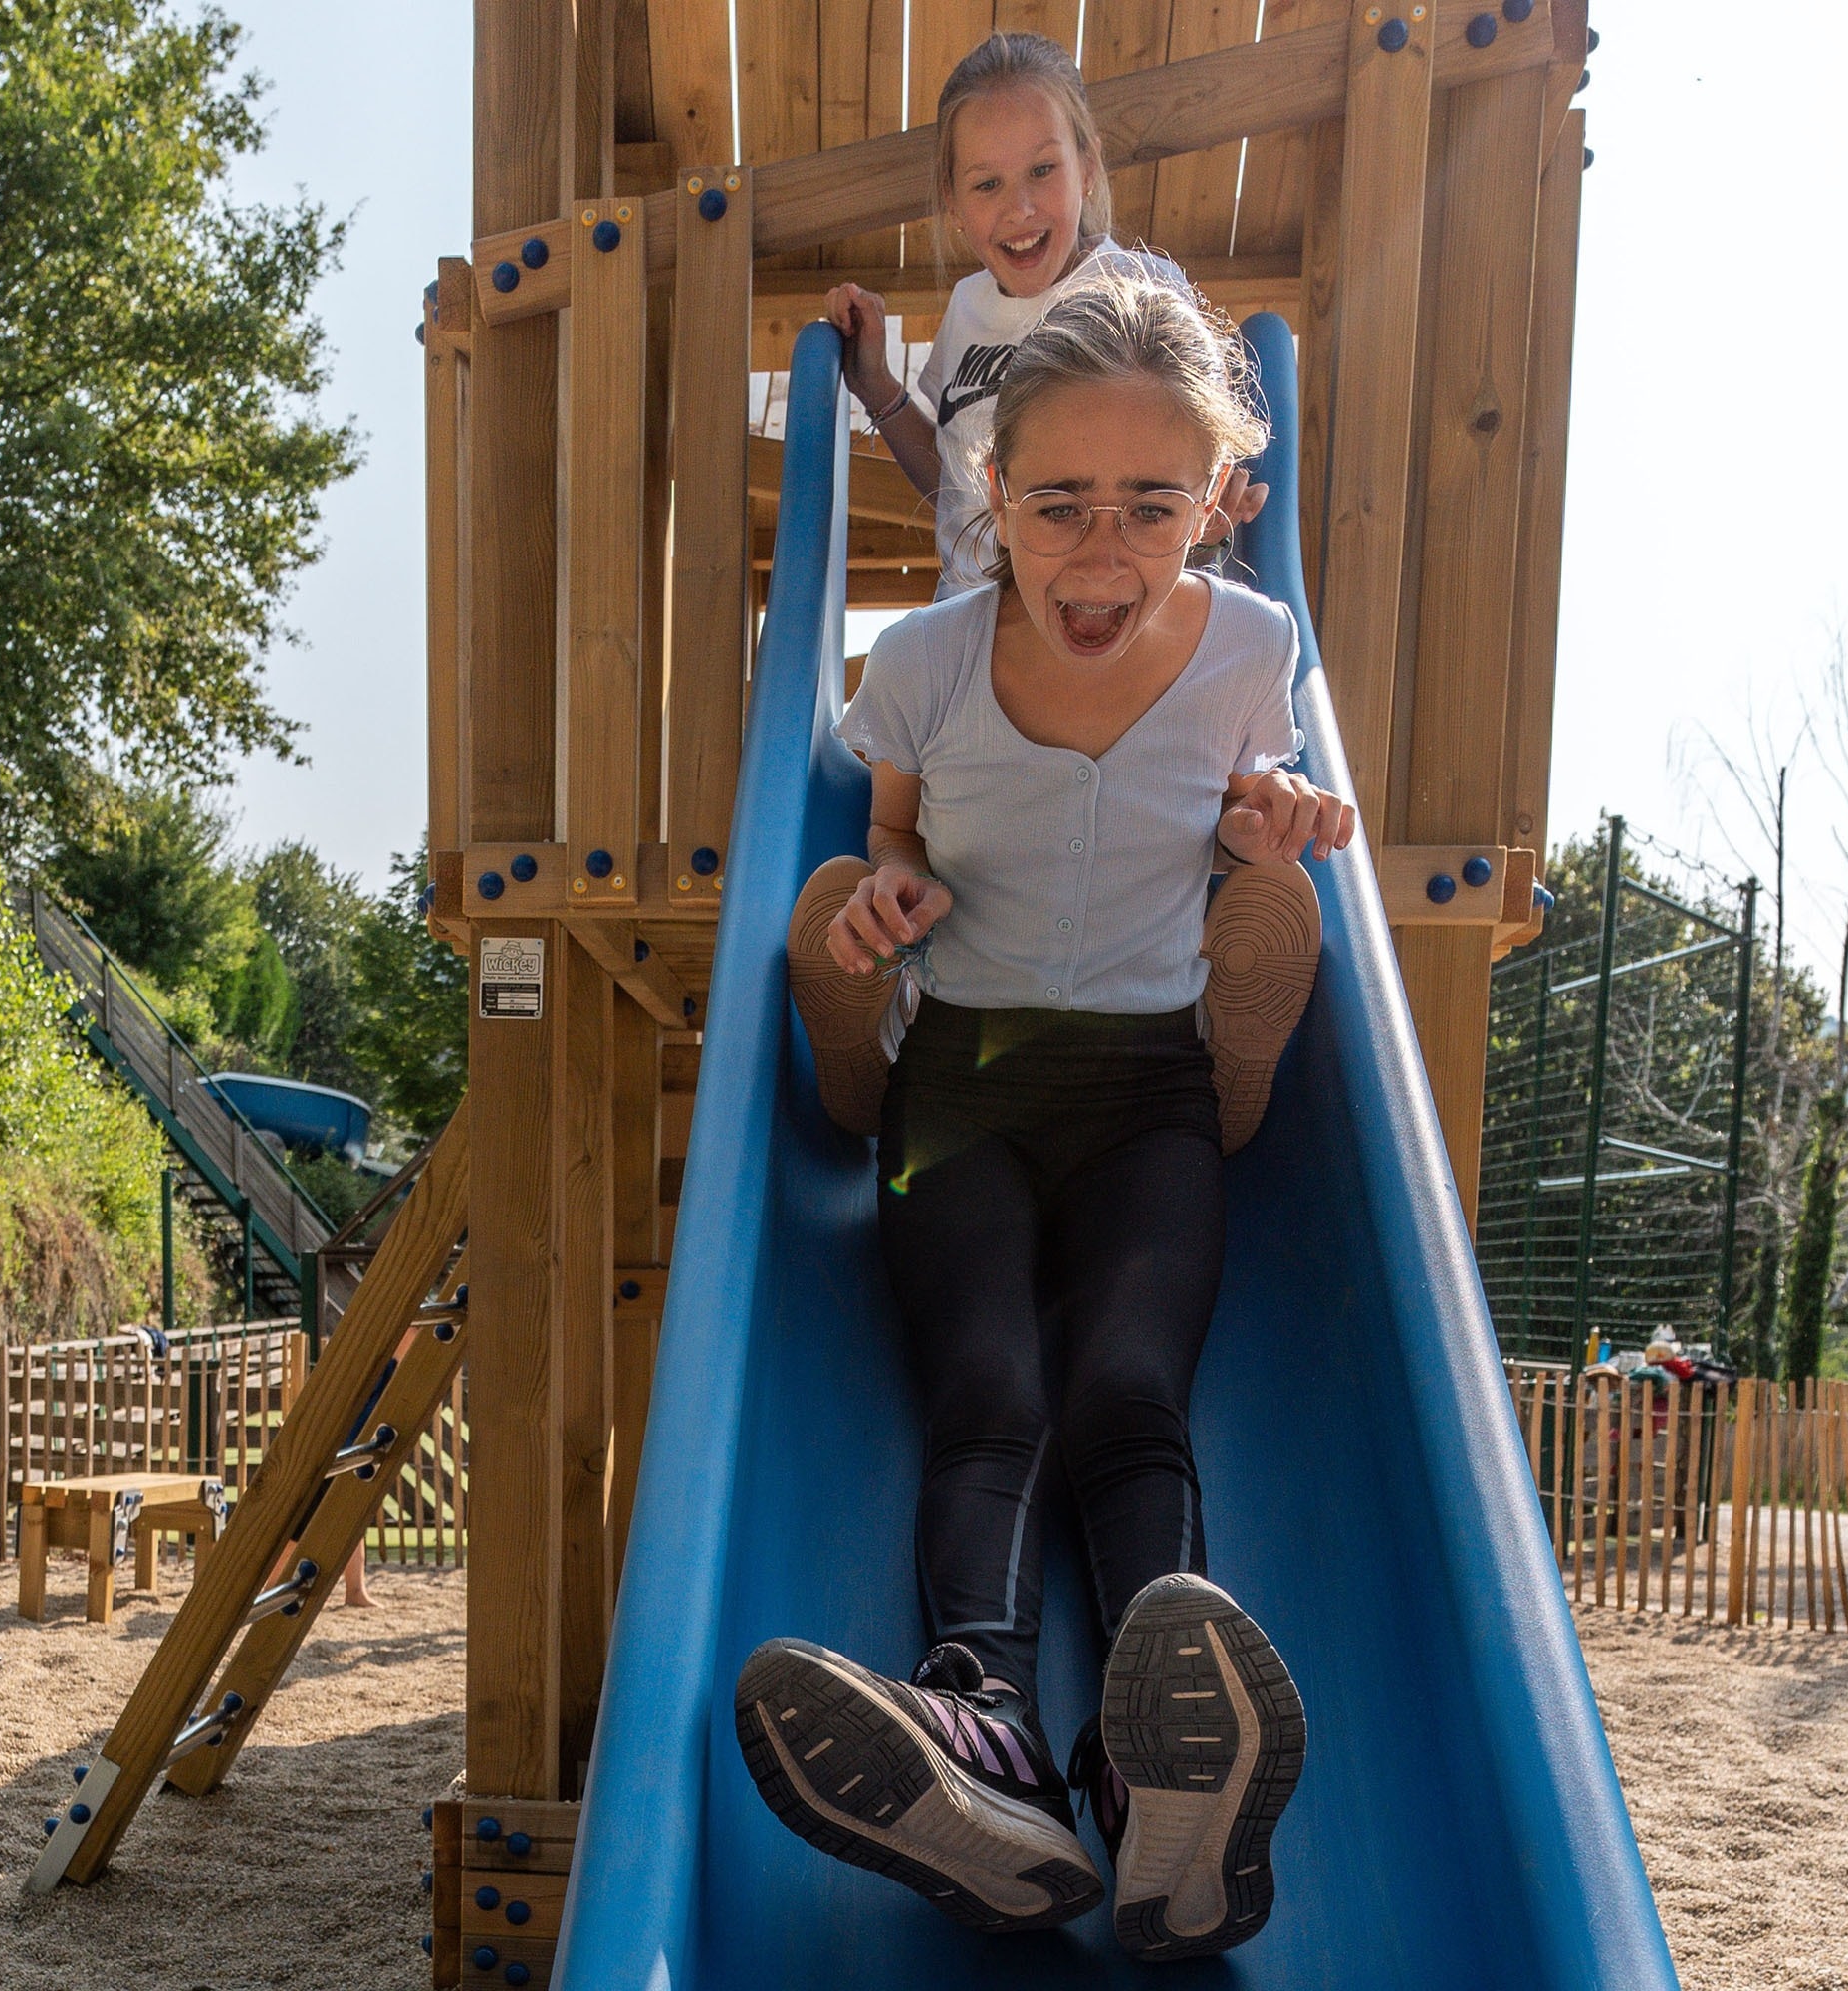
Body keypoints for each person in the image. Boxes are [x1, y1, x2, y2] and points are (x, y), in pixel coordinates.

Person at [732, 271, 1350, 1963]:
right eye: (1056, 501)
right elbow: (908, 841)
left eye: (1151, 506)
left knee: (1132, 1394)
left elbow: (1243, 807)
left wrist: (1274, 818)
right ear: (989, 493)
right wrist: (882, 905)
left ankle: (1161, 1800)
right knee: (993, 1394)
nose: (1096, 550)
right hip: (967, 1087)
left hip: (1152, 1084)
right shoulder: (926, 663)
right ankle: (981, 1733)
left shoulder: (1250, 647)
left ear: (1223, 504)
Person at [822, 31, 1262, 598]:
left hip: (1100, 611)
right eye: (987, 184)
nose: (1019, 209)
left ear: (1088, 166)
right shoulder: (967, 307)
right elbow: (959, 488)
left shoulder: (1137, 289)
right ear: (952, 202)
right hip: (972, 622)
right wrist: (877, 387)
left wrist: (1207, 537)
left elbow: (1192, 489)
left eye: (1042, 170)